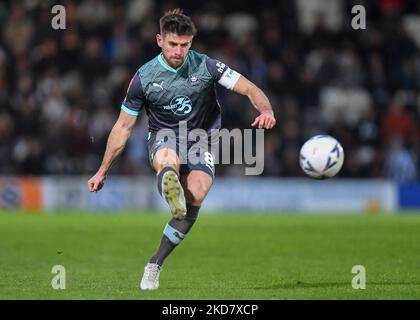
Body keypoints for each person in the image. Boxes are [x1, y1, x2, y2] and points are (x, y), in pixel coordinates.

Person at [87, 8, 276, 290]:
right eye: (173, 44)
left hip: (201, 140)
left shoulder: (207, 66)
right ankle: (170, 185)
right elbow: (123, 126)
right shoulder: (144, 77)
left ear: (191, 43)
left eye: (184, 45)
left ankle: (155, 263)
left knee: (197, 192)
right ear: (159, 40)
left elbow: (249, 88)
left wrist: (266, 109)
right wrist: (102, 170)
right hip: (164, 136)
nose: (178, 51)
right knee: (167, 159)